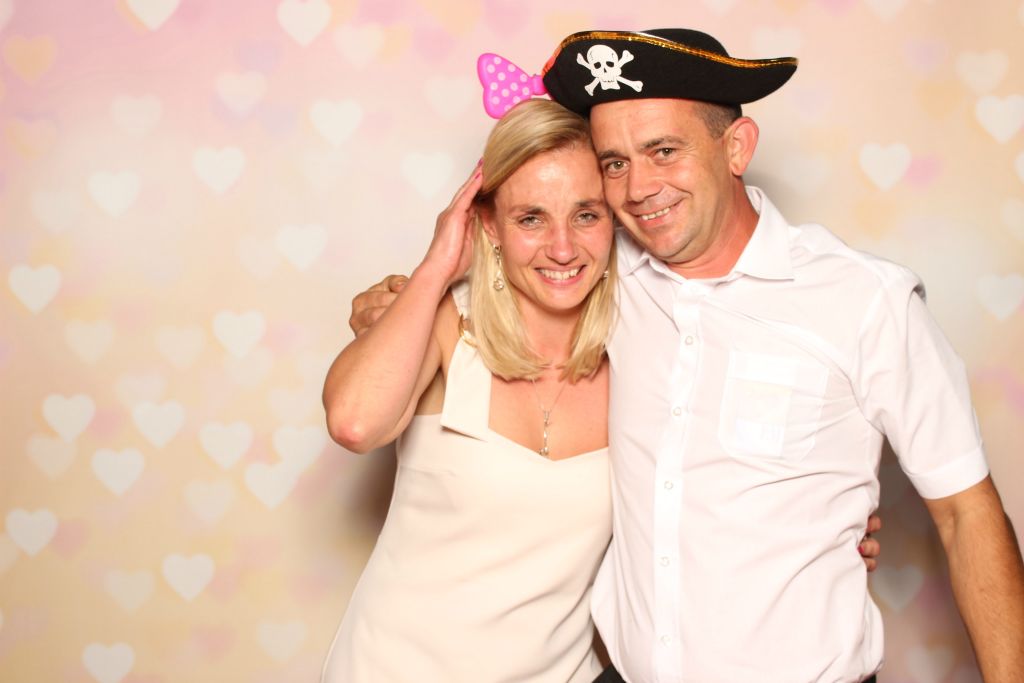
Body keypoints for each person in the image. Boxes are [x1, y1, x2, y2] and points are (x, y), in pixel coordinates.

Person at [350, 28, 1024, 683]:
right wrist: (401, 301)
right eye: (615, 162)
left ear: (737, 146)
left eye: (664, 150)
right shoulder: (603, 277)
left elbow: (968, 514)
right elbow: (528, 248)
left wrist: (830, 523)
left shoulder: (866, 301)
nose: (638, 187)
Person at [321, 99, 617, 682]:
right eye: (531, 218)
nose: (562, 248)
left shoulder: (642, 352)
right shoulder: (444, 328)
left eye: (586, 215)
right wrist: (436, 268)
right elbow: (354, 424)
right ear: (487, 224)